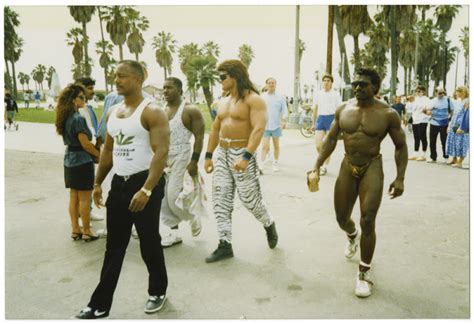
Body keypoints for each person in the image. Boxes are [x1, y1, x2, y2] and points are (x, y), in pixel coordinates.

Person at [75, 60, 170, 319]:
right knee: (114, 246)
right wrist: (97, 182)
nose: (117, 80)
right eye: (115, 76)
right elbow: (107, 150)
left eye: (123, 76)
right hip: (120, 183)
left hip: (146, 184)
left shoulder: (152, 111)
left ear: (138, 80)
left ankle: (158, 291)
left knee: (149, 242)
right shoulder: (113, 111)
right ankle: (100, 303)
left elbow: (161, 153)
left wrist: (148, 190)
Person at [309, 67, 408, 298]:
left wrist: (400, 177)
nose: (357, 87)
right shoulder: (343, 109)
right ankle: (352, 235)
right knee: (342, 218)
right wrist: (317, 164)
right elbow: (332, 138)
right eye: (355, 83)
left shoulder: (388, 114)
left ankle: (364, 272)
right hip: (347, 165)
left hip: (372, 166)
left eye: (363, 84)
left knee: (368, 219)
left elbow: (401, 146)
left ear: (375, 87)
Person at [203, 59, 278, 263]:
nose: (220, 81)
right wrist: (209, 155)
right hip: (223, 153)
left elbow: (258, 129)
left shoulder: (254, 100)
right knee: (220, 199)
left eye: (222, 76)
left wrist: (246, 156)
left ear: (234, 76)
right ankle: (224, 244)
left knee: (250, 200)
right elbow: (216, 128)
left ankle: (268, 222)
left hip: (242, 152)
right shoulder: (223, 101)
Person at [160, 77, 206, 247]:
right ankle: (173, 233)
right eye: (163, 88)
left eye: (169, 88)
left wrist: (194, 161)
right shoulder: (162, 110)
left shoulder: (190, 110)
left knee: (173, 196)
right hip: (165, 157)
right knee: (162, 198)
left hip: (183, 155)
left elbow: (199, 137)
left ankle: (193, 216)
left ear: (179, 90)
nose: (165, 91)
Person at [54, 84, 100, 242]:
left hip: (69, 159)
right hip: (82, 160)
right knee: (85, 198)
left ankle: (75, 229)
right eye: (81, 97)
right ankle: (87, 230)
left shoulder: (64, 117)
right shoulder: (78, 118)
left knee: (73, 196)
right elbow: (85, 144)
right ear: (73, 100)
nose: (84, 99)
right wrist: (99, 155)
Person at [76, 77, 104, 222]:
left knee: (88, 183)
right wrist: (96, 153)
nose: (93, 91)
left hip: (90, 150)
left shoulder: (88, 108)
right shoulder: (77, 111)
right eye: (90, 88)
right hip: (83, 152)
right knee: (82, 189)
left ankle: (88, 211)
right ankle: (82, 218)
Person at [311, 73, 342, 176]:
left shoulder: (336, 94)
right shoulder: (318, 94)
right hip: (320, 119)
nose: (326, 82)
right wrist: (313, 123)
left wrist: (339, 124)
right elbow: (315, 109)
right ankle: (322, 159)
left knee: (328, 145)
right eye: (324, 81)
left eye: (328, 81)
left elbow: (339, 110)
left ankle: (325, 166)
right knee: (318, 145)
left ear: (331, 83)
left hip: (331, 119)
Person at [260, 77, 288, 172]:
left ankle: (275, 163)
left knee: (276, 146)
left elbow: (284, 110)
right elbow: (258, 110)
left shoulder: (280, 96)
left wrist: (284, 121)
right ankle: (262, 164)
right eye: (269, 83)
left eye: (273, 83)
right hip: (265, 125)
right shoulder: (262, 96)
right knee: (265, 146)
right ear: (266, 85)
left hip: (276, 125)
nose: (271, 84)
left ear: (276, 84)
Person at [423, 86, 451, 163]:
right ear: (436, 93)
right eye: (438, 93)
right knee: (432, 141)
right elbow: (425, 110)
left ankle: (446, 157)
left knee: (444, 141)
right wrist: (427, 112)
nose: (440, 94)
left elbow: (452, 110)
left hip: (444, 123)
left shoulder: (448, 100)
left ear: (444, 92)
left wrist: (450, 119)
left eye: (442, 93)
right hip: (434, 122)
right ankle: (433, 157)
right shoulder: (433, 101)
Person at [446, 86, 469, 168]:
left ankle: (460, 162)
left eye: (458, 91)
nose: (456, 93)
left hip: (461, 125)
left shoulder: (467, 101)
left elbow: (466, 115)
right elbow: (454, 114)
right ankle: (454, 159)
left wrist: (463, 126)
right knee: (452, 141)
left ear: (463, 92)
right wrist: (450, 124)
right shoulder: (458, 101)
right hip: (454, 124)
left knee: (461, 143)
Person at [408, 85, 430, 161]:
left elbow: (426, 109)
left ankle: (423, 154)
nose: (417, 93)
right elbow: (412, 109)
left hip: (422, 120)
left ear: (423, 92)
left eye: (418, 91)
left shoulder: (426, 99)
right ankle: (415, 154)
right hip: (415, 120)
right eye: (416, 91)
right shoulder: (415, 99)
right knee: (416, 137)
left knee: (422, 137)